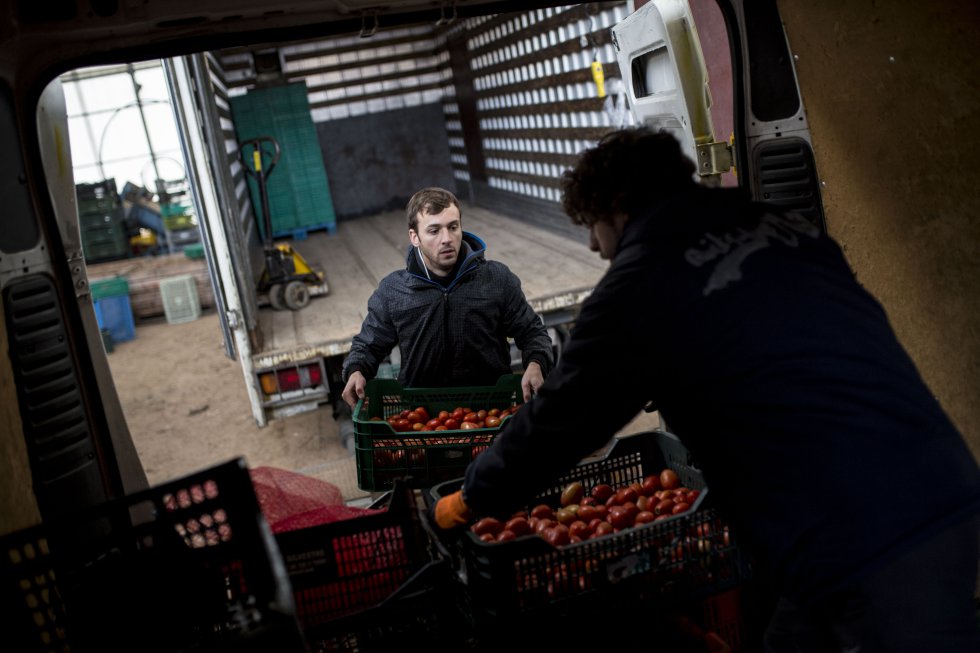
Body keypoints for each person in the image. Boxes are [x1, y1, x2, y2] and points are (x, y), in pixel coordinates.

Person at [433, 128, 980, 652]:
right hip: (939, 478)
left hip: (864, 535)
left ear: (618, 209)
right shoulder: (782, 224)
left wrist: (471, 496)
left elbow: (560, 419)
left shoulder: (639, 283)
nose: (594, 247)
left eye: (592, 226)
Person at [341, 187, 554, 409]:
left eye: (453, 227)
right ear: (414, 237)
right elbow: (368, 344)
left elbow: (532, 331)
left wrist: (536, 363)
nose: (447, 239)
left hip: (490, 414)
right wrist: (356, 370)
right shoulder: (394, 291)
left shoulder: (496, 280)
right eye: (434, 231)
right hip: (422, 420)